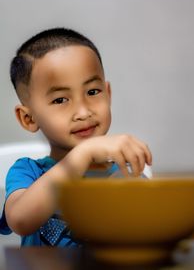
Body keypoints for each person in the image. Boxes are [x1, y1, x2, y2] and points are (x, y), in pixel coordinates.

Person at [0, 28, 152, 246]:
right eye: (60, 100)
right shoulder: (27, 172)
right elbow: (22, 221)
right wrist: (83, 154)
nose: (83, 112)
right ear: (28, 118)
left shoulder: (125, 175)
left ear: (107, 94)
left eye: (92, 92)